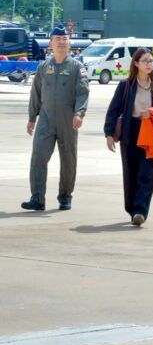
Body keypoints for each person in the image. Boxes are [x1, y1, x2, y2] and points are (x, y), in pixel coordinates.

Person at [103, 48, 153, 226]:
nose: (149, 64)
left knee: (146, 174)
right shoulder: (125, 86)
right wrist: (109, 134)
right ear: (136, 64)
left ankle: (140, 211)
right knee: (131, 173)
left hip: (151, 133)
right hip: (130, 132)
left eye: (151, 61)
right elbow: (113, 110)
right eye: (145, 61)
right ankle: (132, 208)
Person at [22, 25, 90, 211]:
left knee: (68, 159)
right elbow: (36, 93)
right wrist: (32, 118)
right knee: (38, 156)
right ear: (50, 44)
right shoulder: (44, 67)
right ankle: (37, 198)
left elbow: (83, 92)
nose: (61, 42)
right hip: (46, 118)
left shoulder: (76, 67)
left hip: (68, 120)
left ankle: (65, 196)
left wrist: (79, 113)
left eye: (64, 39)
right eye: (57, 39)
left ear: (69, 44)